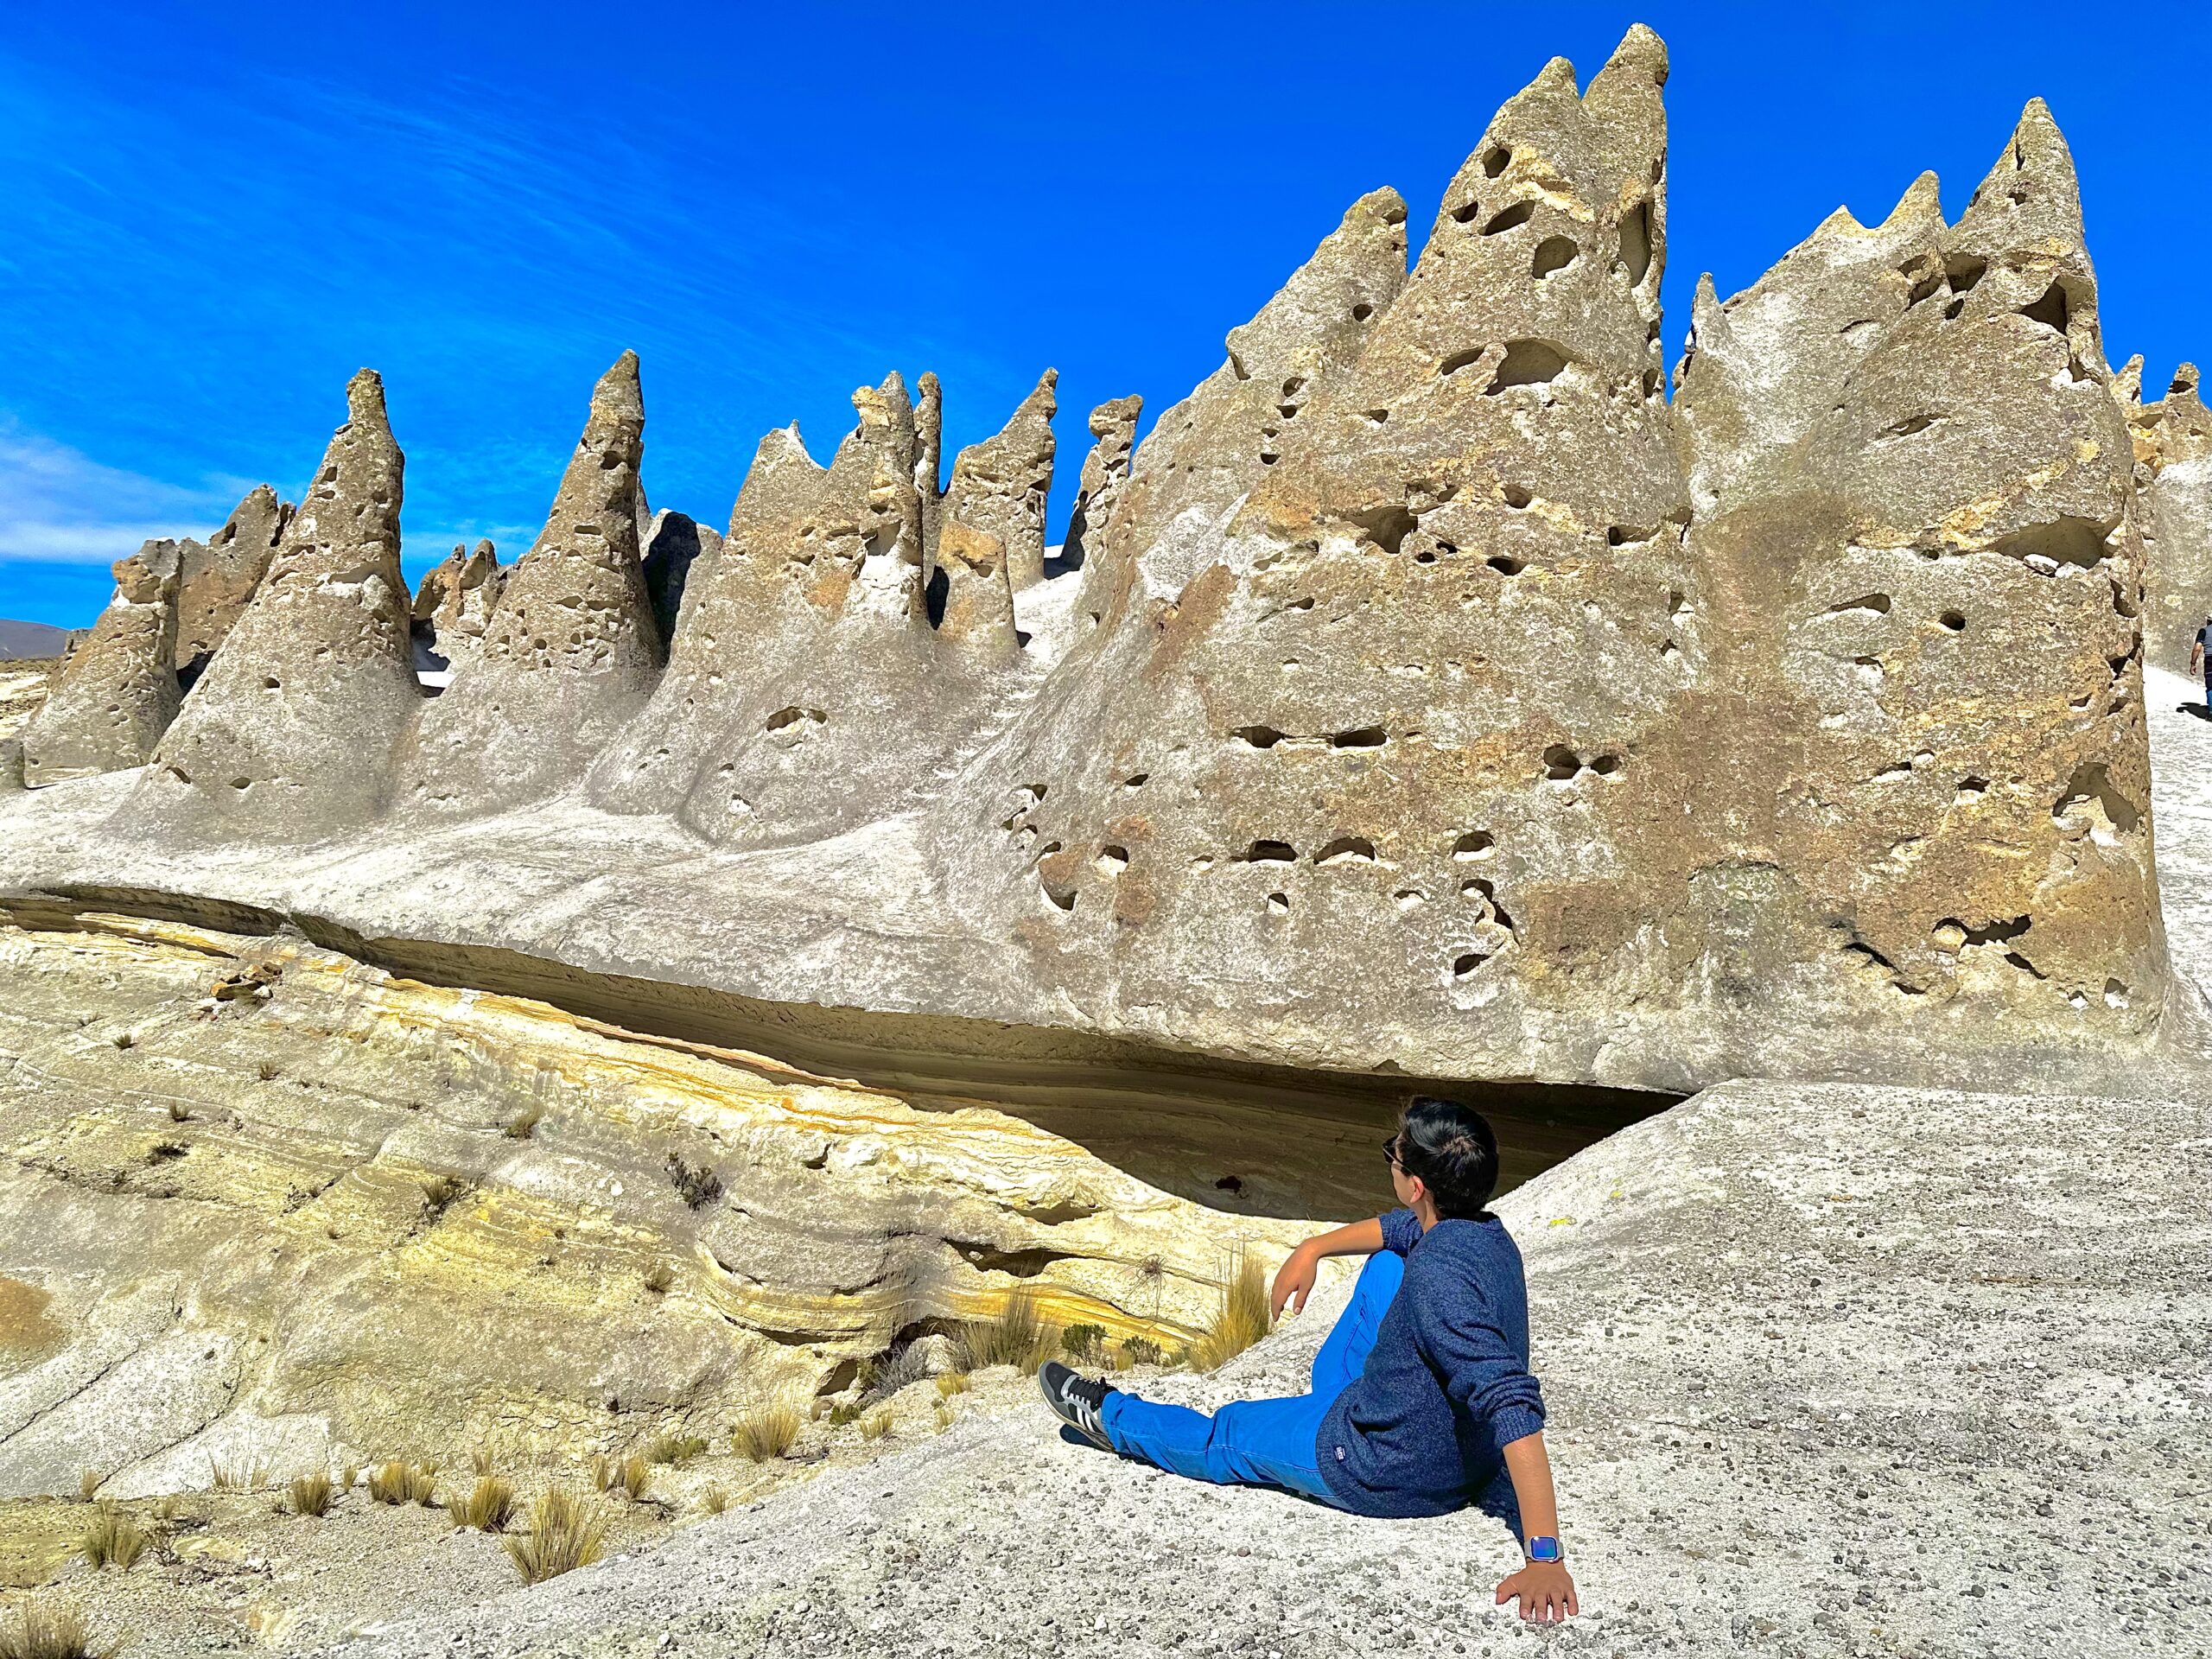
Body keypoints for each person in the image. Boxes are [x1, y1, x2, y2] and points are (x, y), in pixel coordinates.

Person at [1039, 1094, 1578, 1624]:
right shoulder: (1485, 1232)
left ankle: (1110, 1416)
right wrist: (1312, 1247)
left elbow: (1510, 1403)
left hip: (1382, 1467)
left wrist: (1545, 1559)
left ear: (1417, 1185)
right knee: (1388, 1264)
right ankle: (1329, 1406)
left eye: (1393, 1155)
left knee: (1227, 1435)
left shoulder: (1439, 1278)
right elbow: (1399, 1229)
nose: (1389, 1159)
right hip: (1437, 1436)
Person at [2191, 617, 2212, 710]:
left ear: (2208, 621)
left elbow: (2197, 648)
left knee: (2211, 686)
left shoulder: (2204, 631)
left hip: (2210, 660)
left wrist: (2193, 664)